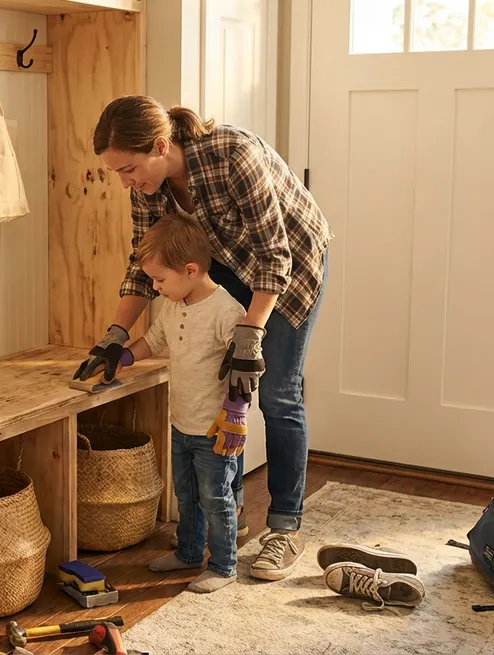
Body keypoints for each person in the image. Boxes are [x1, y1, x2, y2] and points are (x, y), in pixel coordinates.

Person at [74, 95, 333, 581]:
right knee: (222, 383)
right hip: (228, 270)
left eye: (129, 169)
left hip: (291, 265)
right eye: (119, 174)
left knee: (276, 393)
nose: (127, 182)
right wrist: (114, 337)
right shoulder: (147, 186)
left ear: (159, 144)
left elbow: (273, 256)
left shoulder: (233, 155)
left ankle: (283, 528)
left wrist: (250, 336)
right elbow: (143, 263)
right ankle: (227, 519)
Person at [107, 212, 249, 593]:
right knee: (186, 495)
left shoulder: (227, 312)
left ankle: (223, 565)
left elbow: (247, 368)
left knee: (216, 499)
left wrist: (236, 415)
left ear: (190, 270)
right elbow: (153, 341)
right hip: (181, 424)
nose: (154, 287)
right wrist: (118, 357)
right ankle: (188, 553)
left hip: (215, 429)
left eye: (159, 279)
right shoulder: (173, 305)